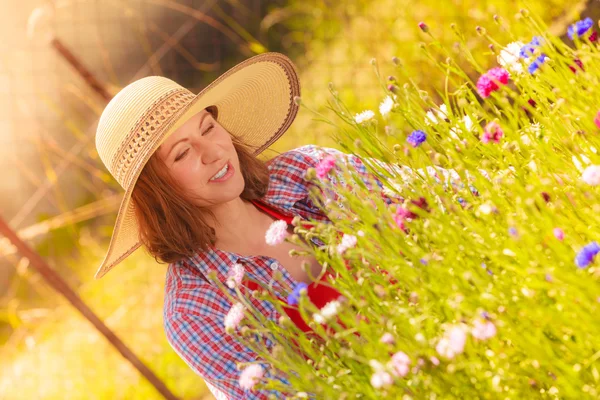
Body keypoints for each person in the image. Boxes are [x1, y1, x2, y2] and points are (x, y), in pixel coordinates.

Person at [94, 52, 396, 399]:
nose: (213, 152)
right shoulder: (196, 311)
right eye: (182, 153)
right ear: (158, 193)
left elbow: (437, 198)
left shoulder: (308, 174)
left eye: (207, 127)